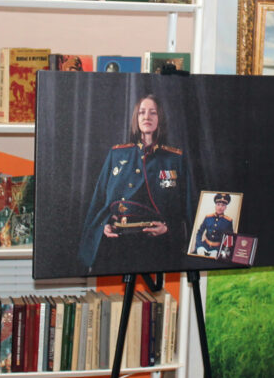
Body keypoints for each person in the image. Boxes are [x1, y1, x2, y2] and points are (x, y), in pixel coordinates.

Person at [78, 94, 192, 272]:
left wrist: (169, 228)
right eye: (142, 112)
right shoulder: (117, 154)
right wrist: (103, 226)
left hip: (157, 245)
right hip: (118, 243)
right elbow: (99, 201)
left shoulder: (174, 158)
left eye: (153, 112)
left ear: (160, 118)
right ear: (136, 118)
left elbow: (188, 205)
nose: (147, 117)